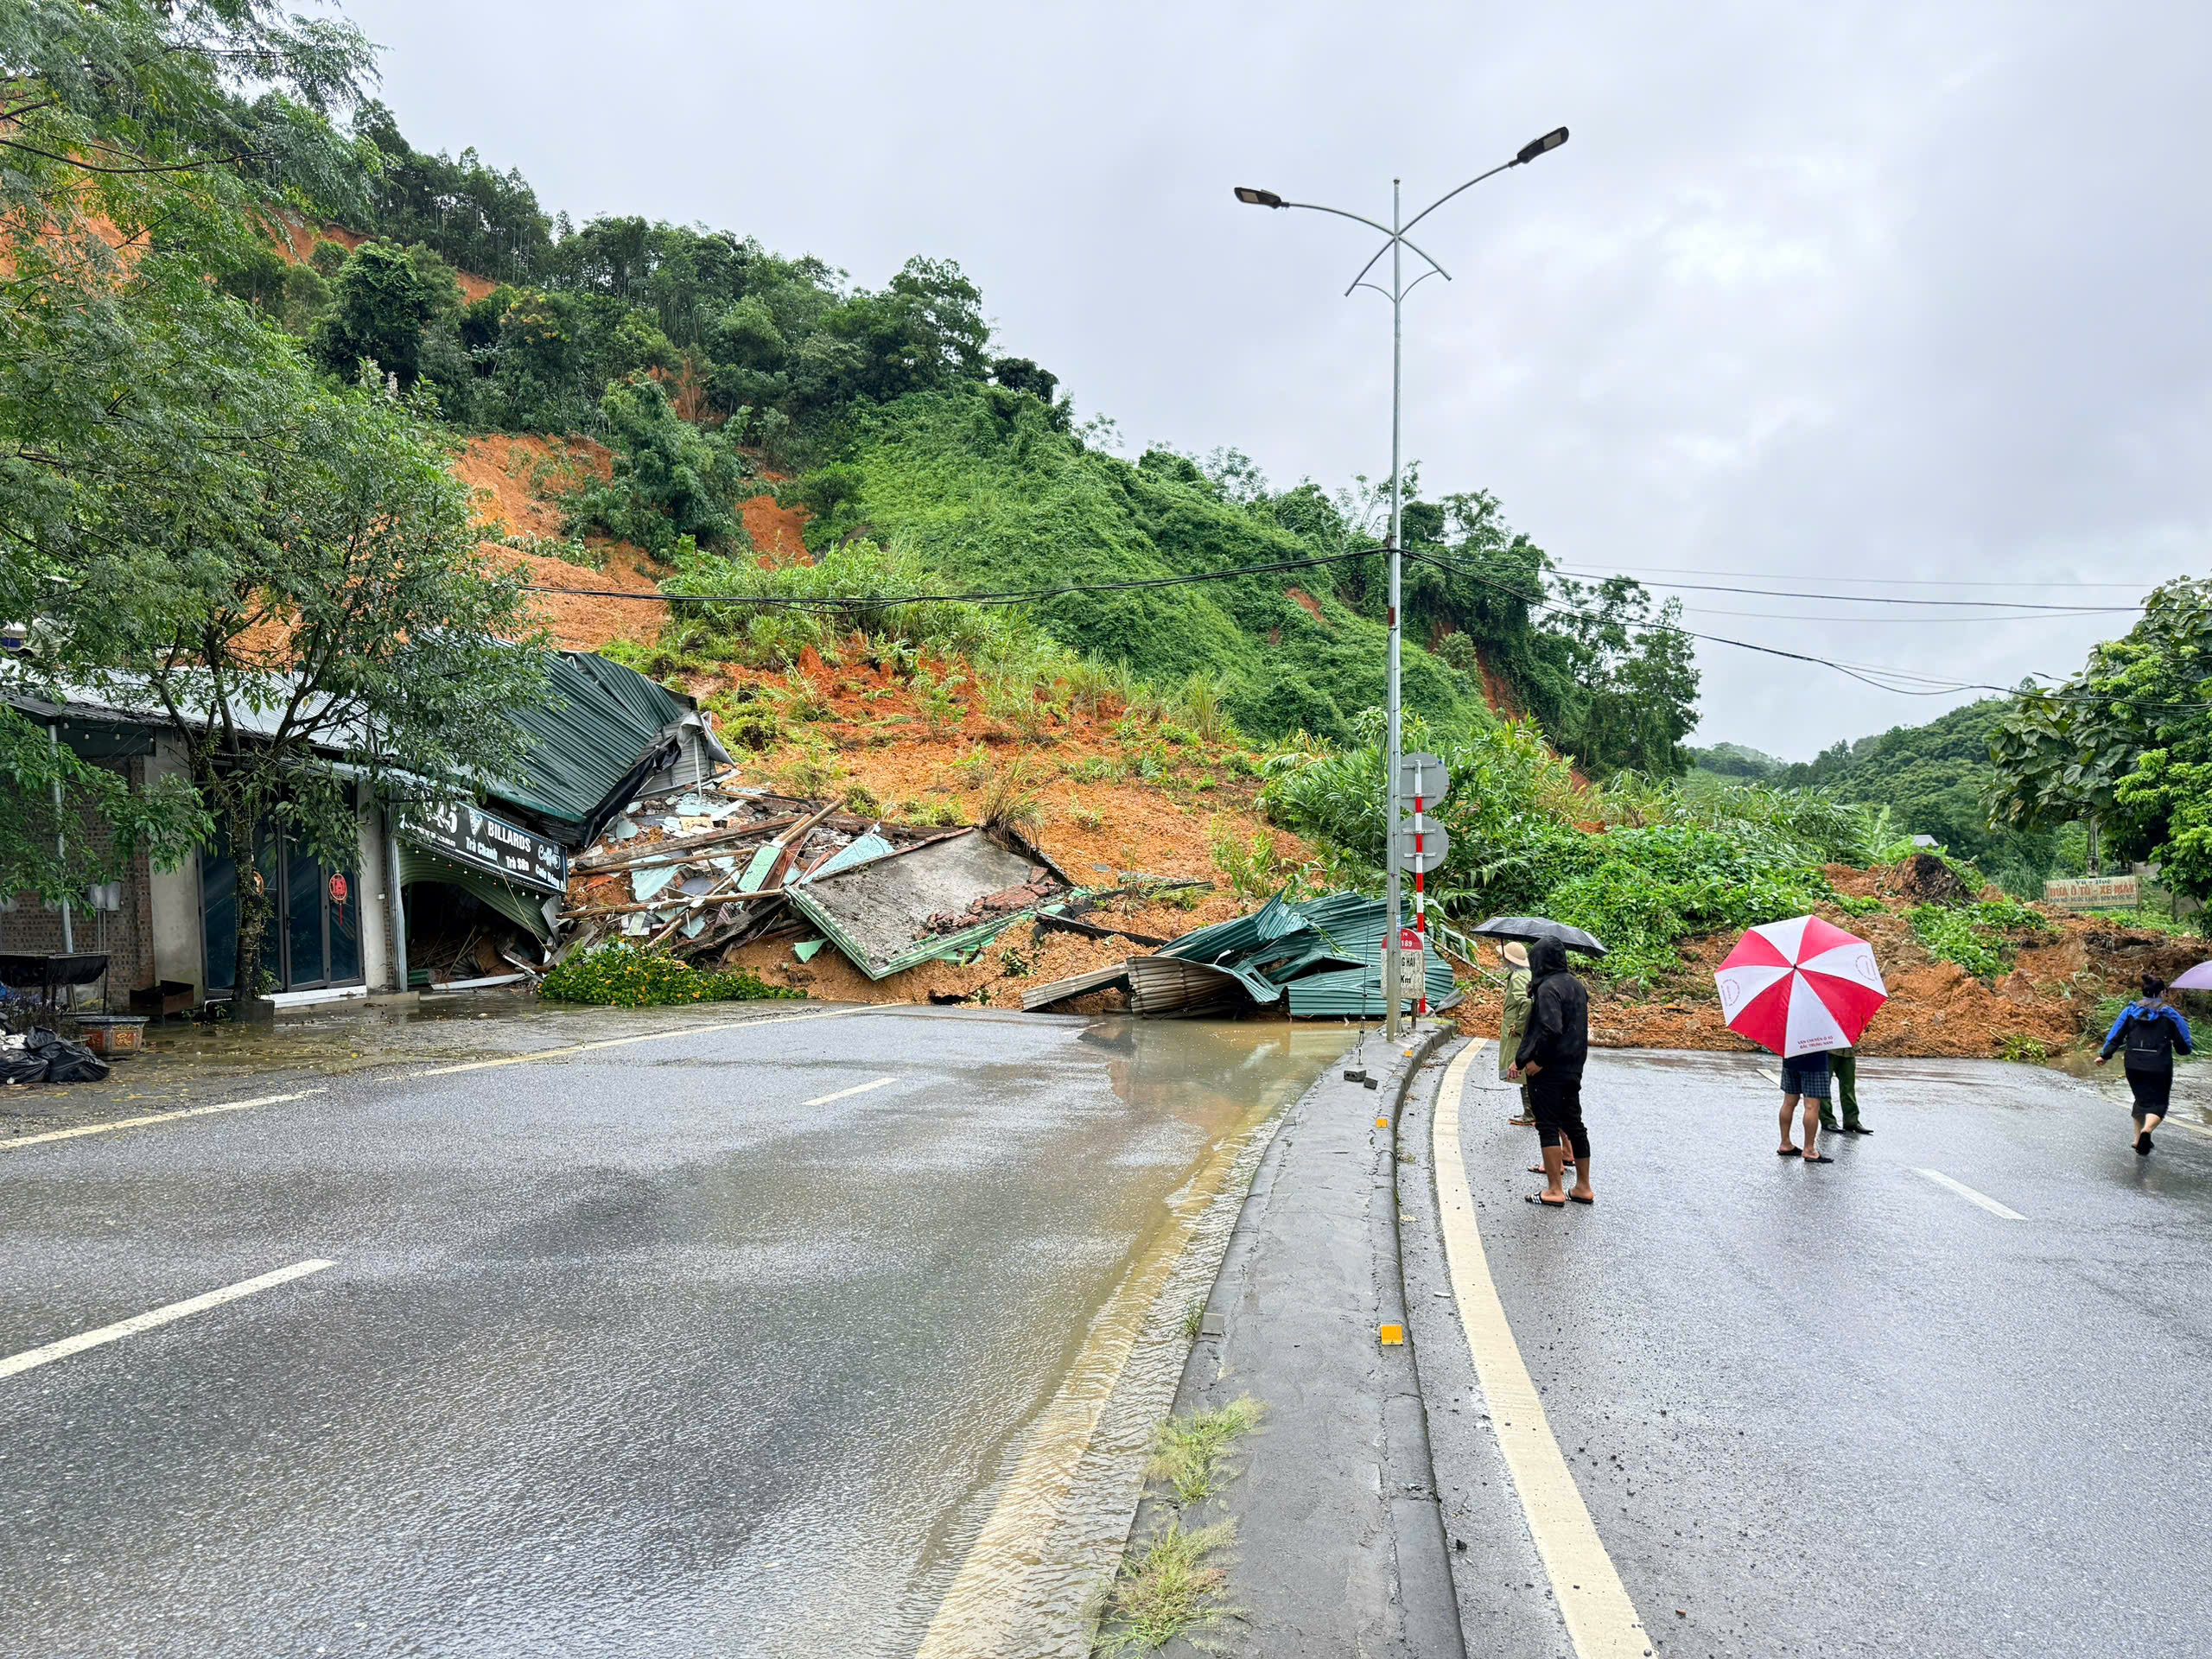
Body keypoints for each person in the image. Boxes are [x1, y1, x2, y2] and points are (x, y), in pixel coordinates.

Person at [1509, 937, 1592, 1207]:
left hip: (1550, 1068)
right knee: (1574, 1124)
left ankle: (1554, 1189)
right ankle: (1583, 1186)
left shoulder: (1548, 989)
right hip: (1573, 1066)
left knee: (1547, 1125)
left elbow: (1549, 1029)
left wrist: (1535, 1061)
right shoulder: (1576, 987)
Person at [2098, 975, 2193, 1154]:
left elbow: (2115, 1035)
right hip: (2159, 1066)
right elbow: (2184, 1044)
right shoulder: (2169, 1014)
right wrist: (2184, 1049)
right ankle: (2147, 1130)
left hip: (2133, 1064)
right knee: (2158, 1102)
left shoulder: (2129, 1011)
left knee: (2141, 1099)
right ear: (2162, 993)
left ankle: (2136, 1140)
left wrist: (2105, 1055)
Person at [1498, 942, 1535, 1127]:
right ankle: (1531, 1112)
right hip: (1518, 1026)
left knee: (1520, 1067)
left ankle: (1530, 1113)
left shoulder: (1519, 977)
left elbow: (1526, 1003)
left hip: (1516, 1029)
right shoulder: (1521, 974)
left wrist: (1518, 1025)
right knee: (1522, 1068)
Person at [1778, 1048, 1835, 1162]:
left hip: (1790, 1059)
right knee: (1811, 1106)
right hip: (1814, 1062)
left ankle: (1785, 1143)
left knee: (1788, 1103)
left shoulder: (1791, 1030)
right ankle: (1809, 1149)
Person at [1820, 1045, 1871, 1136]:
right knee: (1824, 1087)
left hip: (1849, 1051)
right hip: (1828, 1050)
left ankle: (1852, 1121)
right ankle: (1828, 1121)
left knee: (1849, 1087)